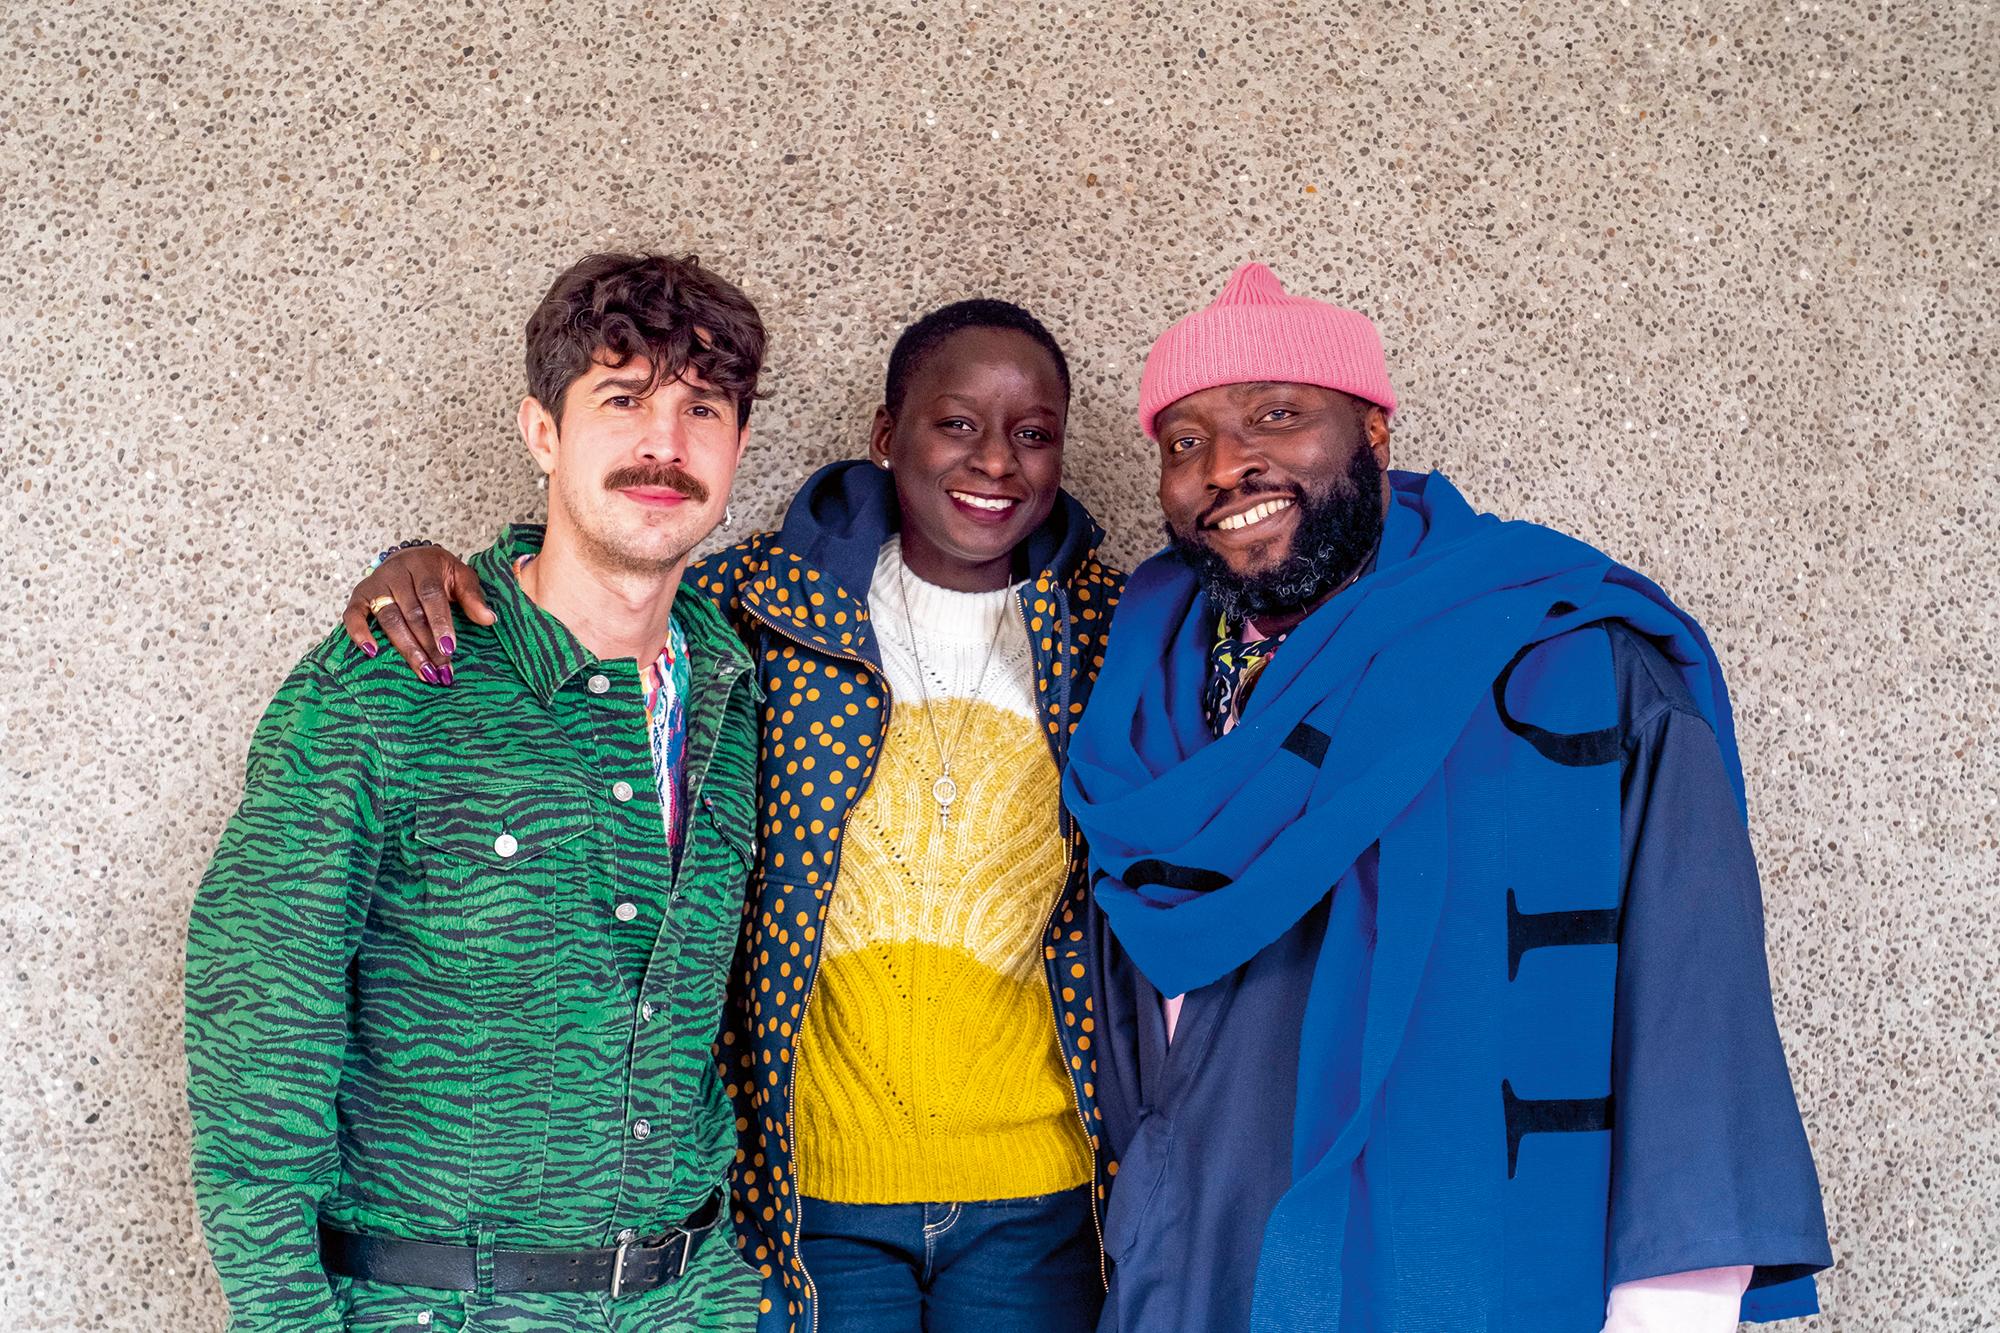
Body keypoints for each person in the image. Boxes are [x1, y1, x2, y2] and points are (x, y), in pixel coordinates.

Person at [1062, 262, 1834, 1333]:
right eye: (1182, 441)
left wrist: (1671, 1307)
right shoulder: (1140, 689)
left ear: (1374, 431)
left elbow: (1691, 990)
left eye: (1276, 417)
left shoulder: (1565, 660)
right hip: (1205, 1261)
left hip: (1466, 1267)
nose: (1225, 467)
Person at [343, 300, 1123, 1333]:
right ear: (887, 435)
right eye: (956, 425)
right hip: (810, 1192)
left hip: (1040, 1192)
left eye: (1033, 434)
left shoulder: (1113, 626)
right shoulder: (757, 604)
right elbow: (602, 592)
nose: (995, 461)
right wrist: (430, 565)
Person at [185, 252, 770, 1332]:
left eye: (703, 409)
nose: (664, 444)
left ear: (737, 447)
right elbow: (259, 1034)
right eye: (623, 398)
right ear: (542, 432)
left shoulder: (733, 691)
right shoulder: (388, 684)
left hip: (687, 1305)